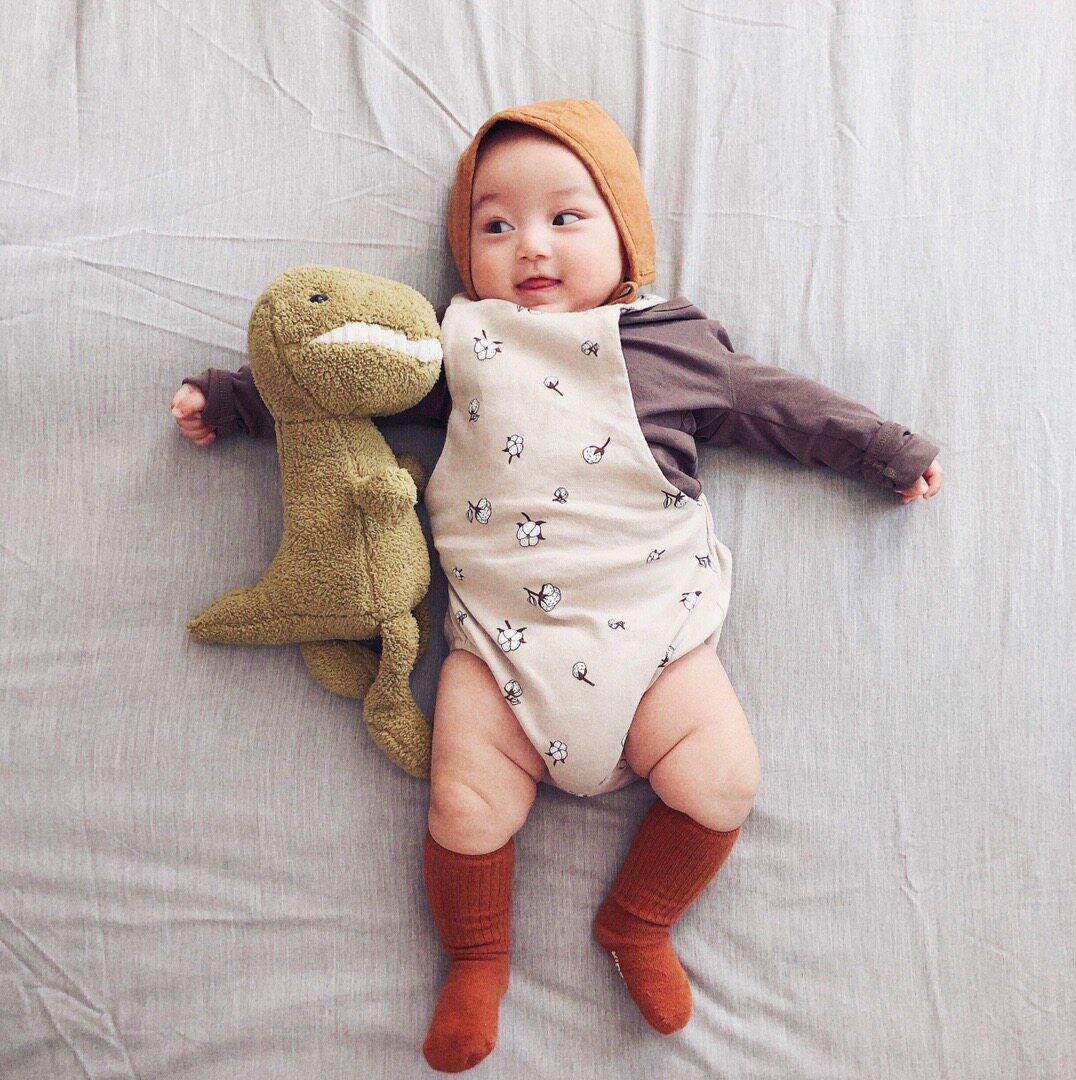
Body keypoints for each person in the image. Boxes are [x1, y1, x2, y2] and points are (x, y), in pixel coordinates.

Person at [171, 99, 943, 1073]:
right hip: (502, 648)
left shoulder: (671, 344)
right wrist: (234, 401)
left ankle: (638, 921)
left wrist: (883, 449)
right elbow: (344, 379)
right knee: (464, 801)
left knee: (723, 779)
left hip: (655, 641)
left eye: (565, 217)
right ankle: (477, 959)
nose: (530, 244)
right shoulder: (458, 345)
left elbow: (783, 408)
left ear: (626, 240)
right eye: (495, 225)